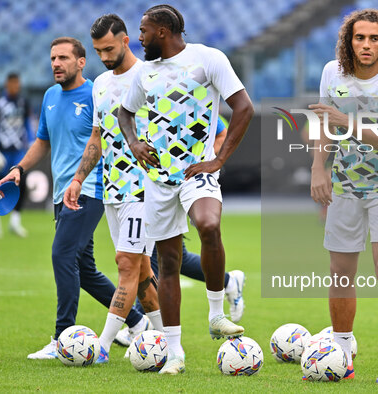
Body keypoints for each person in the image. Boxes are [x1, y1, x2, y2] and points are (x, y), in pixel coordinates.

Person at [63, 15, 246, 359]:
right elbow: (108, 127)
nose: (104, 56)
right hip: (130, 185)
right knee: (153, 267)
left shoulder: (193, 64)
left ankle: (102, 346)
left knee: (135, 262)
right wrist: (83, 175)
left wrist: (217, 158)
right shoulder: (109, 82)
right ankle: (166, 345)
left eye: (109, 48)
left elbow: (229, 116)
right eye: (98, 50)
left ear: (145, 35)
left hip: (159, 182)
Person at [118, 4, 254, 375]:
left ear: (162, 30)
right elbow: (124, 113)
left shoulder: (208, 59)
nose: (139, 37)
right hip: (159, 179)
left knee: (209, 225)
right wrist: (133, 143)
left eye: (143, 30)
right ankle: (175, 353)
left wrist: (218, 159)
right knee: (169, 264)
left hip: (198, 171)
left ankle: (215, 314)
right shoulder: (144, 73)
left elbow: (244, 108)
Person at [0, 36, 147, 360]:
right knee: (85, 268)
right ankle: (137, 321)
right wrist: (19, 169)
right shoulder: (50, 96)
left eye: (63, 58)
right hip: (60, 193)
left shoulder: (97, 92)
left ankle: (62, 336)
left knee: (62, 255)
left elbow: (107, 137)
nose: (55, 64)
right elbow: (42, 141)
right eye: (52, 58)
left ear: (81, 62)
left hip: (90, 188)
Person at [309, 9, 378, 383]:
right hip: (344, 185)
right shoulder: (331, 73)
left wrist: (346, 123)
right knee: (340, 272)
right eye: (359, 38)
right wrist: (318, 168)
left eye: (374, 38)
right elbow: (324, 121)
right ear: (348, 41)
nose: (366, 45)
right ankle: (340, 354)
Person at [0, 73, 34, 238]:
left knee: (21, 183)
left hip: (18, 150)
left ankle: (15, 221)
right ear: (7, 84)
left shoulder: (23, 102)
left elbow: (27, 124)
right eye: (12, 83)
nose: (15, 86)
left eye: (17, 83)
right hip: (2, 150)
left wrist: (31, 142)